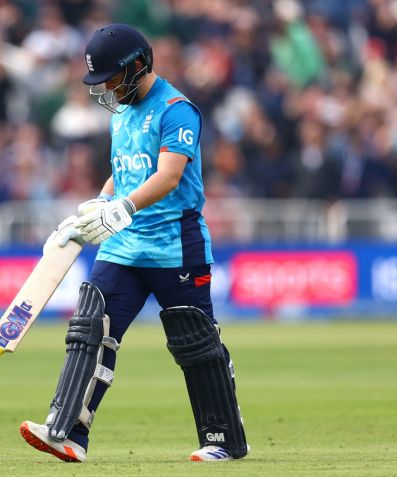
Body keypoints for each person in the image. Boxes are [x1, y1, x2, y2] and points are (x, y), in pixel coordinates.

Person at [19, 23, 249, 463]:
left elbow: (168, 176)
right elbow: (123, 172)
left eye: (110, 78)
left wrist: (121, 208)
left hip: (174, 244)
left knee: (195, 342)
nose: (105, 88)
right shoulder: (121, 112)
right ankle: (66, 431)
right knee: (90, 325)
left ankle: (224, 440)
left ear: (138, 65)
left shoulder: (177, 109)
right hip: (123, 244)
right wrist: (93, 211)